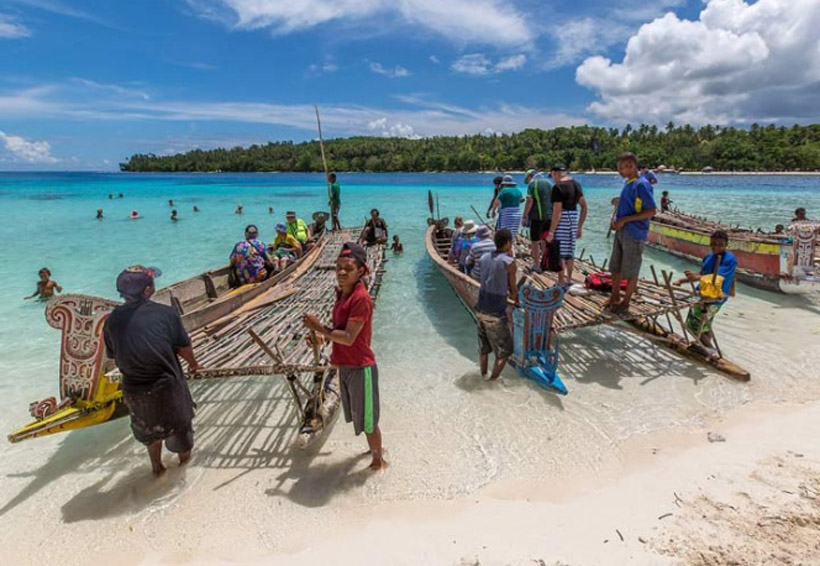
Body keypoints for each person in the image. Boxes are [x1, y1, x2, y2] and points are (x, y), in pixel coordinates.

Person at [103, 266, 199, 476]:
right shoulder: (165, 314)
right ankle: (183, 472)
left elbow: (113, 355)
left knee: (150, 432)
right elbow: (183, 347)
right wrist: (193, 364)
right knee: (181, 433)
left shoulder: (111, 321)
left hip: (135, 389)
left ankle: (157, 469)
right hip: (167, 386)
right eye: (152, 282)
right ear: (147, 290)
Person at [302, 243, 386, 471]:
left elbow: (349, 337)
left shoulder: (361, 298)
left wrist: (319, 328)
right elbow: (340, 329)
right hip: (345, 365)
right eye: (338, 267)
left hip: (361, 366)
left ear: (361, 271)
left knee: (369, 421)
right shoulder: (342, 294)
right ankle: (374, 452)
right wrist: (323, 338)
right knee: (361, 416)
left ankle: (379, 463)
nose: (341, 272)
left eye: (347, 268)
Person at [607, 152, 657, 312]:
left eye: (621, 168)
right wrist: (616, 219)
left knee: (631, 270)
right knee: (615, 266)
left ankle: (626, 302)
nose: (619, 172)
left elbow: (651, 211)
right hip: (622, 231)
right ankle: (615, 295)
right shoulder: (629, 183)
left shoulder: (642, 184)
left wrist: (625, 220)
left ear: (631, 166)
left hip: (635, 233)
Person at [676, 231, 737, 350]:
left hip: (714, 298)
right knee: (705, 325)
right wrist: (682, 281)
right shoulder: (708, 257)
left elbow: (717, 277)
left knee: (692, 326)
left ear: (726, 245)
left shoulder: (730, 260)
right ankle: (705, 346)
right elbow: (702, 274)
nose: (716, 247)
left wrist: (696, 277)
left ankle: (711, 352)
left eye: (720, 244)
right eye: (713, 244)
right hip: (702, 295)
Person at [475, 229, 518, 380]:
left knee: (484, 349)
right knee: (505, 352)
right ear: (507, 243)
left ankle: (482, 376)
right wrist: (515, 303)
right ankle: (492, 382)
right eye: (511, 242)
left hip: (481, 308)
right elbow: (513, 289)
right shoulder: (510, 262)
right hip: (496, 312)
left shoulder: (484, 257)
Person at [544, 164, 588, 285]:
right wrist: (580, 226)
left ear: (554, 173)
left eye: (552, 176)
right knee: (570, 252)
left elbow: (557, 212)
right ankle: (569, 279)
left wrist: (551, 232)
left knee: (560, 253)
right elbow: (584, 207)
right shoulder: (576, 185)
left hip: (562, 220)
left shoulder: (557, 187)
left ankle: (561, 281)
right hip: (573, 219)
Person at [522, 168, 553, 269]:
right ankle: (546, 263)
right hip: (549, 216)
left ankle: (537, 264)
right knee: (544, 239)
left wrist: (524, 215)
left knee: (535, 241)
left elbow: (529, 201)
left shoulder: (532, 184)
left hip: (537, 217)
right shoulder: (549, 183)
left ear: (530, 176)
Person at [490, 175, 523, 246]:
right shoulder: (518, 190)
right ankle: (511, 250)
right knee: (512, 234)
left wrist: (493, 211)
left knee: (503, 233)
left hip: (506, 213)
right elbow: (522, 199)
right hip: (517, 213)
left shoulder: (504, 190)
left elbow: (496, 201)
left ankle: (503, 250)